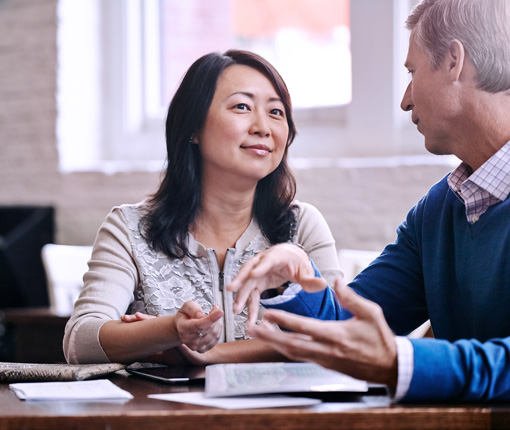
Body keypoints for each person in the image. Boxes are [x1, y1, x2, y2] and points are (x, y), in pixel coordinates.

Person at [228, 0, 510, 403]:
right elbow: (350, 322)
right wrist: (298, 276)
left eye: (412, 73)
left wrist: (401, 362)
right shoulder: (437, 211)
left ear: (453, 61)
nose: (405, 100)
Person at [63, 49, 341, 366]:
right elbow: (80, 341)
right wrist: (173, 328)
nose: (263, 127)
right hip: (162, 413)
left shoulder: (302, 226)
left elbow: (338, 337)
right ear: (193, 128)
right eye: (242, 107)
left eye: (276, 112)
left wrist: (211, 355)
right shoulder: (130, 228)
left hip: (278, 415)